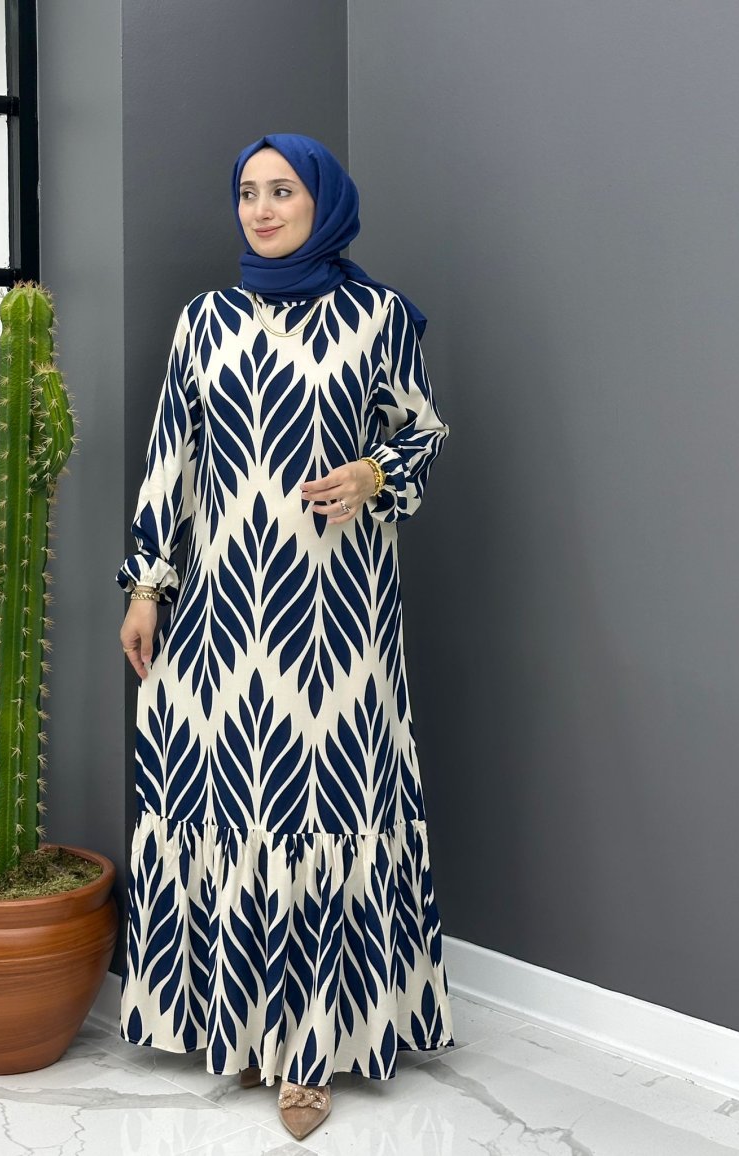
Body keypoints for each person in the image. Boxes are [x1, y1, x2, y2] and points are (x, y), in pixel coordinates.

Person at [116, 132, 455, 1141]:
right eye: (248, 192)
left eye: (283, 191)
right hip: (223, 612)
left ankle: (310, 1053)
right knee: (228, 798)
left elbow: (424, 429)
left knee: (324, 804)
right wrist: (146, 586)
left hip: (336, 614)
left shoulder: (377, 316)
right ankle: (231, 1023)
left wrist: (374, 473)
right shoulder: (203, 320)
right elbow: (171, 455)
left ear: (324, 203)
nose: (261, 209)